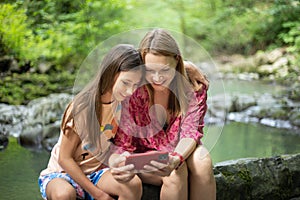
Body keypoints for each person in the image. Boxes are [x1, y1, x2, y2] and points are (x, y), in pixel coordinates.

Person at [110, 29, 216, 200]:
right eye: (151, 70)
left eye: (165, 70)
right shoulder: (133, 89)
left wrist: (176, 157)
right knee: (175, 173)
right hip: (143, 154)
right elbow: (124, 143)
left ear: (176, 61)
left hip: (180, 147)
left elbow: (191, 131)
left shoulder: (193, 87)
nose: (157, 78)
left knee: (203, 162)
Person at [38, 44, 144, 200]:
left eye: (135, 85)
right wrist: (99, 195)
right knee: (64, 194)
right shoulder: (82, 107)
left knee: (133, 184)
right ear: (110, 73)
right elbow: (64, 158)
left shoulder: (123, 105)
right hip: (62, 174)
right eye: (126, 83)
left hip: (97, 173)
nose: (130, 91)